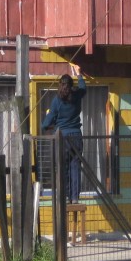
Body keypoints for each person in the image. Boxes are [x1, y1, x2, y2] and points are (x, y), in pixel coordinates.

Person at [41, 64, 86, 204]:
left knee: (63, 167)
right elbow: (83, 88)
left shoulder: (56, 101)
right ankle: (75, 198)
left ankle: (66, 197)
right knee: (75, 167)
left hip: (63, 138)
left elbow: (44, 125)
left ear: (60, 85)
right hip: (76, 136)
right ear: (71, 85)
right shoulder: (77, 96)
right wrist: (78, 73)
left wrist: (53, 124)